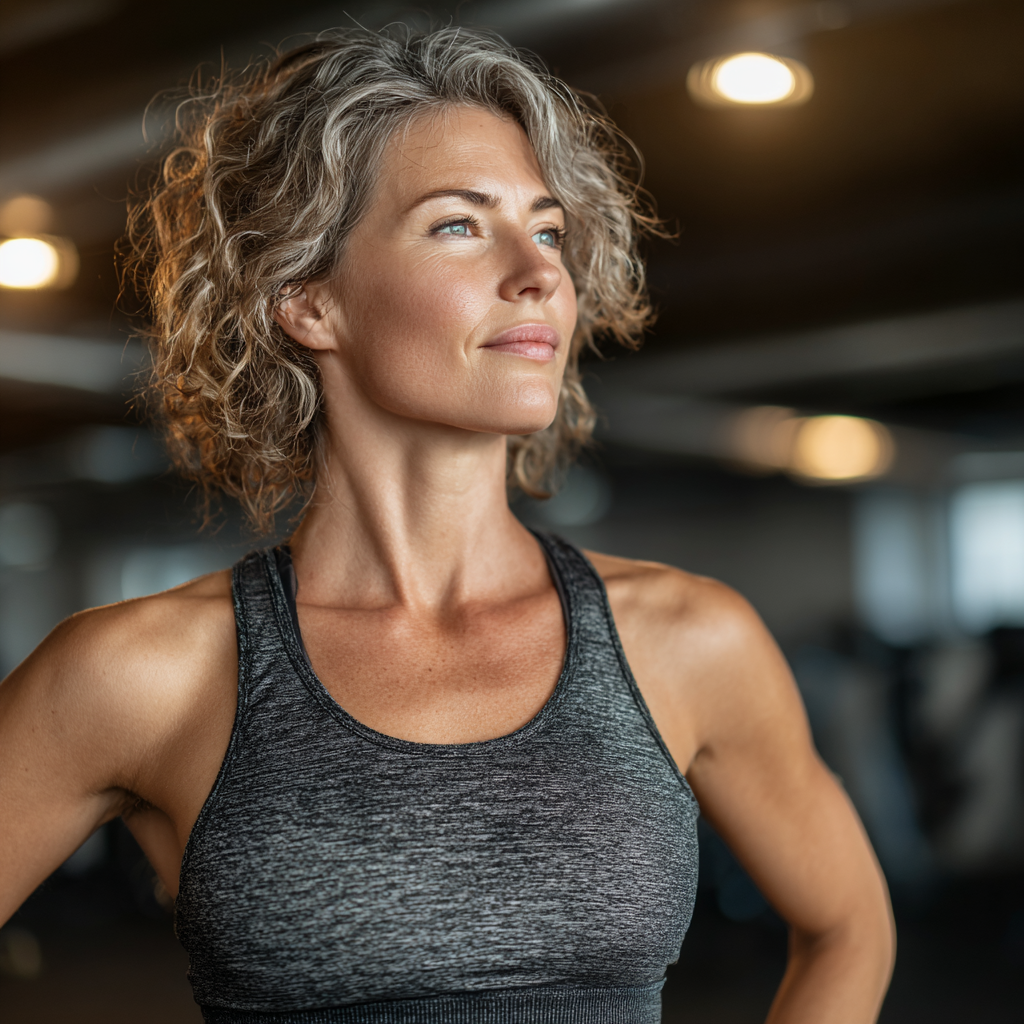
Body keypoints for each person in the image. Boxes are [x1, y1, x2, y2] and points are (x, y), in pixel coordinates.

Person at [0, 26, 894, 1024]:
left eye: (548, 231)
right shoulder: (144, 675)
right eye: (459, 226)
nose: (538, 273)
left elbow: (849, 925)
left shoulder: (687, 638)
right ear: (308, 299)